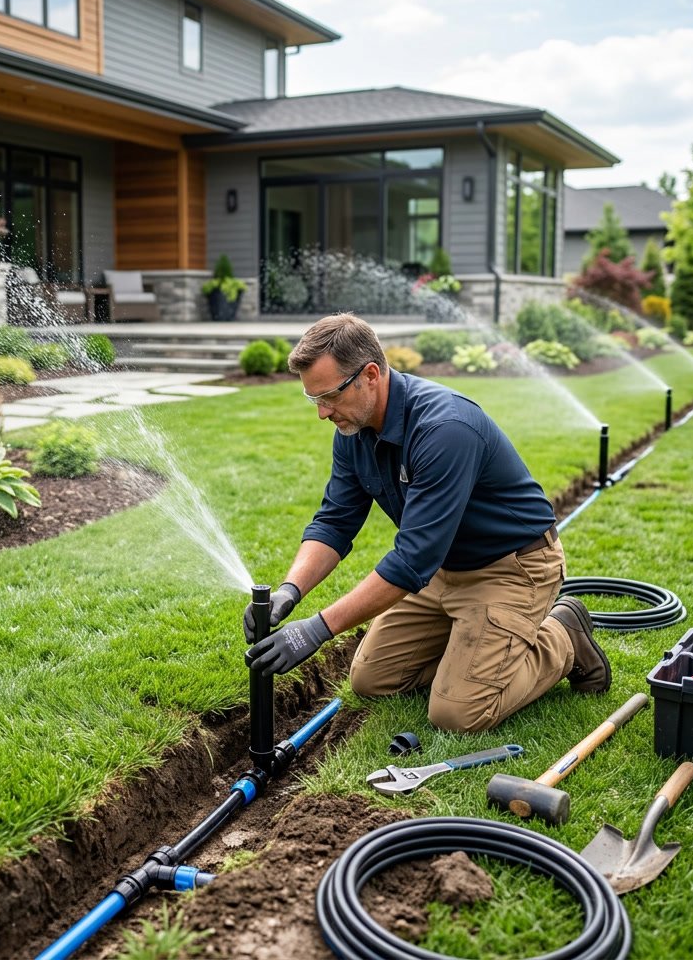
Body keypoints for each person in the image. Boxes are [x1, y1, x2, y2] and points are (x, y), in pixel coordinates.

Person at [244, 313, 610, 733]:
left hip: (511, 568)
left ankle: (563, 637)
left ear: (370, 375)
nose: (322, 413)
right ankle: (473, 653)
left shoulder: (444, 429)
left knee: (457, 713)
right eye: (314, 400)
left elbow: (411, 561)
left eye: (329, 396)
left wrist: (316, 630)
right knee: (370, 679)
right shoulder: (353, 429)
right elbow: (335, 521)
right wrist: (291, 591)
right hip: (443, 570)